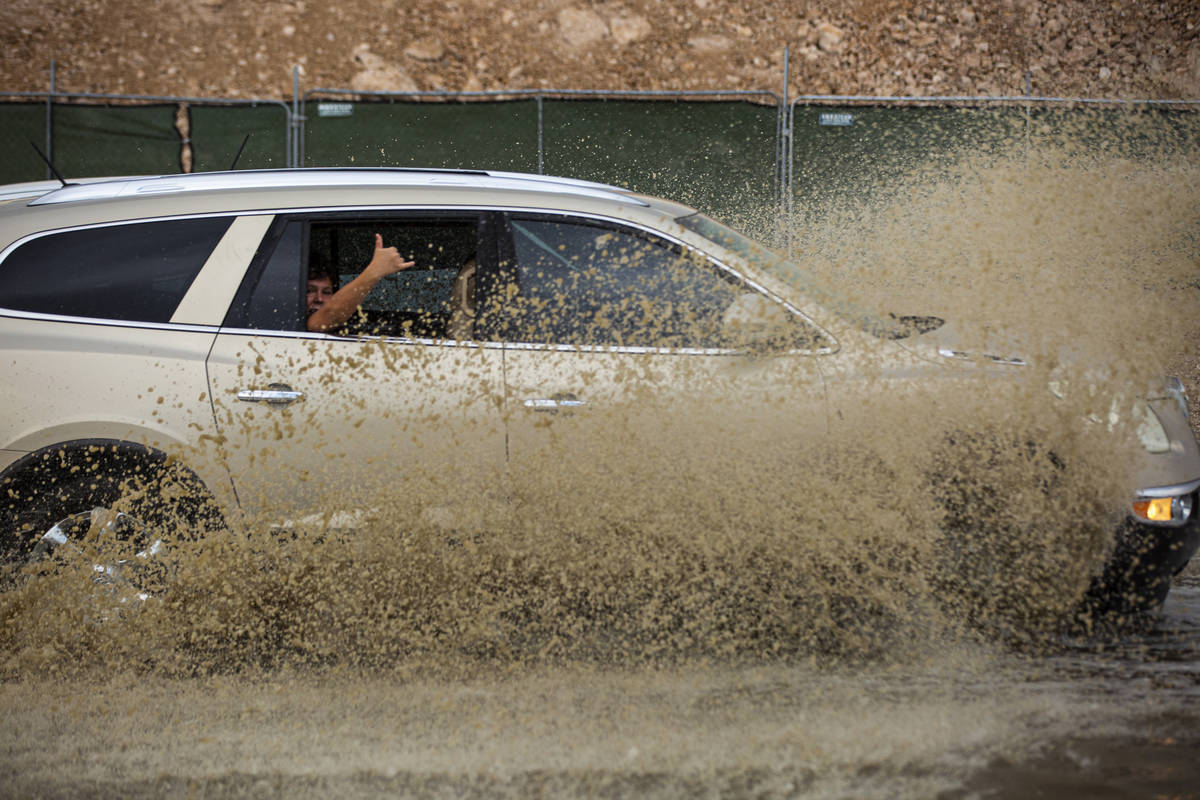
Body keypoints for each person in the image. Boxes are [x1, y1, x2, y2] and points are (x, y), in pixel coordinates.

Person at [307, 233, 415, 332]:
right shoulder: (293, 323)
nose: (319, 299)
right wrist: (375, 271)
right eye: (309, 291)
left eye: (326, 292)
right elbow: (329, 315)